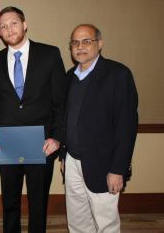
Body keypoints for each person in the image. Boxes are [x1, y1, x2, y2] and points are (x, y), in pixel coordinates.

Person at [0, 6, 67, 232]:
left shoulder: (50, 54)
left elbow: (61, 102)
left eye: (13, 23)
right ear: (0, 33)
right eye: (3, 26)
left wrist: (56, 138)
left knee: (38, 202)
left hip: (42, 145)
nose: (9, 29)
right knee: (10, 202)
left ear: (24, 24)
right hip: (8, 143)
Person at [61, 24, 138, 232]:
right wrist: (63, 156)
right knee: (77, 220)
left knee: (106, 222)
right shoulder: (69, 77)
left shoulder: (118, 75)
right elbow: (65, 119)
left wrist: (118, 169)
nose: (80, 47)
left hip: (104, 164)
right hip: (72, 162)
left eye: (87, 41)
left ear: (100, 44)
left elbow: (126, 126)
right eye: (75, 42)